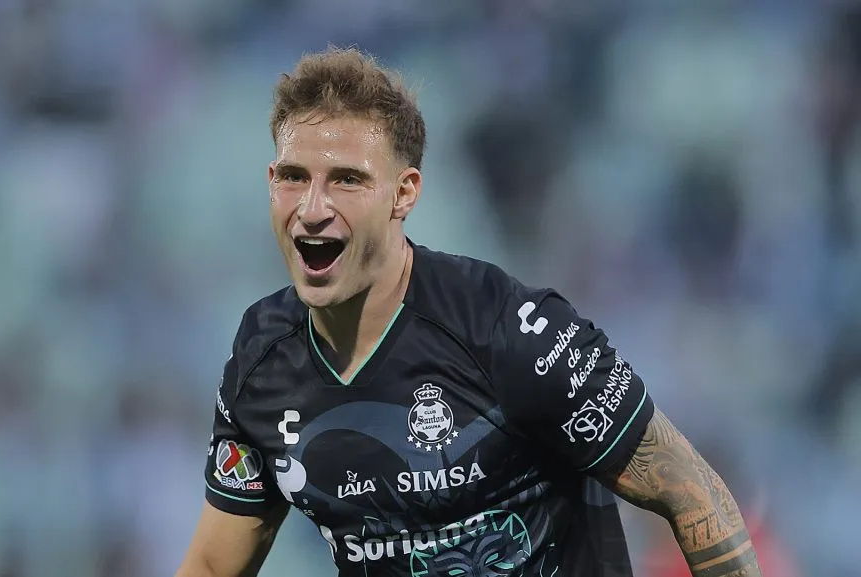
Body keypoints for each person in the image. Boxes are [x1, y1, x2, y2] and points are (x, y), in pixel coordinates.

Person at [175, 47, 763, 577]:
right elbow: (210, 564)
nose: (312, 208)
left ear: (404, 193)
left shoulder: (507, 330)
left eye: (347, 180)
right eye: (293, 178)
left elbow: (692, 491)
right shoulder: (262, 361)